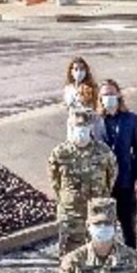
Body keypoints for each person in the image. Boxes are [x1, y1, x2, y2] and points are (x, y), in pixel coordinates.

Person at [48, 107, 119, 258]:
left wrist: (102, 195)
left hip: (98, 213)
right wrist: (66, 199)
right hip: (71, 214)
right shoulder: (60, 153)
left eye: (84, 126)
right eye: (77, 126)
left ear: (90, 127)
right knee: (69, 256)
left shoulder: (103, 151)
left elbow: (111, 176)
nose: (81, 130)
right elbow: (55, 181)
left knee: (100, 254)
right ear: (71, 128)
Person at [94, 78, 137, 246]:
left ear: (118, 95)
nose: (108, 97)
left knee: (128, 224)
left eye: (111, 93)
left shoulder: (131, 119)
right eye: (104, 95)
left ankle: (131, 257)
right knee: (104, 225)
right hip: (102, 182)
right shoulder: (94, 122)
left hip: (125, 179)